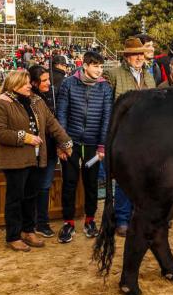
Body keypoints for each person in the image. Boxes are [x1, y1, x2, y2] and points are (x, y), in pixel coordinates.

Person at [0, 71, 72, 251]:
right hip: (14, 160)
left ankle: (28, 230)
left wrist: (65, 141)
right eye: (25, 83)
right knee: (15, 199)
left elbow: (52, 123)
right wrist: (24, 137)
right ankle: (13, 235)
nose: (29, 85)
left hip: (36, 158)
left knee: (30, 197)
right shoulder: (2, 103)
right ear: (14, 84)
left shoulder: (36, 100)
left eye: (29, 83)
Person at [56, 51, 113, 243]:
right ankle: (68, 223)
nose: (99, 70)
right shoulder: (68, 83)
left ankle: (90, 220)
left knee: (91, 184)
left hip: (93, 145)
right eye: (95, 66)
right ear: (85, 65)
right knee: (70, 183)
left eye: (101, 66)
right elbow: (61, 114)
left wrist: (102, 146)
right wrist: (63, 143)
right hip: (71, 143)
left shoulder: (105, 87)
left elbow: (107, 118)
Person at [104, 37, 156, 236]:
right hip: (124, 134)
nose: (139, 57)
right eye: (135, 54)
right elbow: (108, 106)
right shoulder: (113, 74)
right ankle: (122, 219)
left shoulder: (149, 76)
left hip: (146, 134)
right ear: (126, 56)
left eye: (141, 54)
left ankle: (138, 216)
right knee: (126, 179)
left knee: (144, 179)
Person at [28, 65, 57, 237]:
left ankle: (42, 222)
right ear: (33, 82)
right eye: (44, 80)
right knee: (33, 187)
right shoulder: (29, 99)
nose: (49, 83)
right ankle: (30, 224)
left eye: (48, 79)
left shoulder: (48, 97)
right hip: (34, 151)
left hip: (51, 150)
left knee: (45, 187)